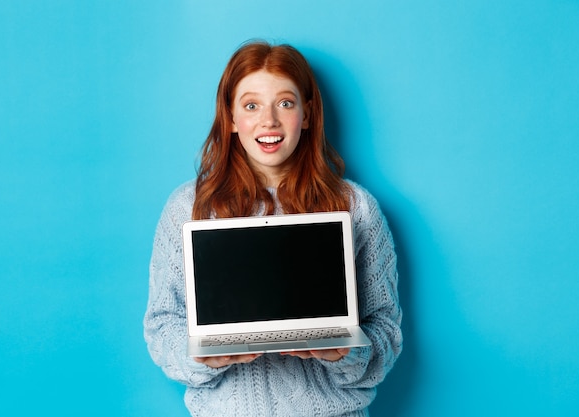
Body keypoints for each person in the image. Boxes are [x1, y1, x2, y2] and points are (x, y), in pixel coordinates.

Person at [144, 41, 402, 417]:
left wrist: (347, 352)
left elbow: (386, 332)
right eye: (251, 106)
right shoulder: (188, 208)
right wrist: (204, 356)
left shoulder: (355, 206)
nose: (269, 121)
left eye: (285, 103)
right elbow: (161, 325)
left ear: (307, 114)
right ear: (230, 117)